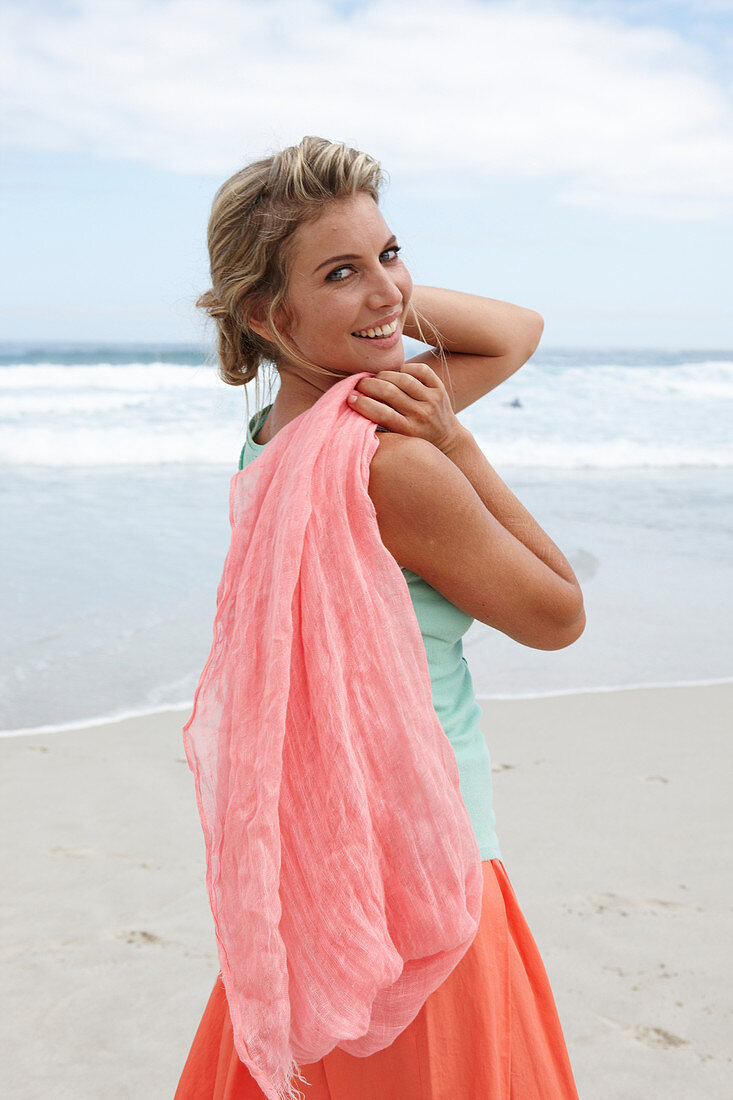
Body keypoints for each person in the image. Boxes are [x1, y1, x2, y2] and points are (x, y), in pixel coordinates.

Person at [174, 135, 585, 1099]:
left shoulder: (273, 441)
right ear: (267, 312)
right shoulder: (393, 455)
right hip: (423, 872)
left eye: (391, 253)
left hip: (311, 875)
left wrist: (365, 298)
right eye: (340, 273)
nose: (389, 291)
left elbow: (513, 329)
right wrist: (457, 444)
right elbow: (558, 614)